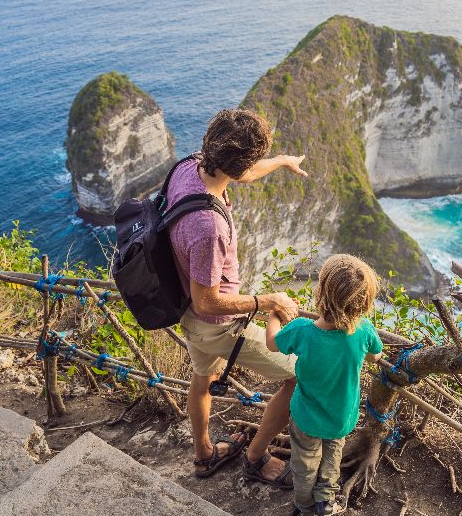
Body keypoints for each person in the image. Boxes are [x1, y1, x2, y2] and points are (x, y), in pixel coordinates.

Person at [164, 108, 308, 487]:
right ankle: (257, 459)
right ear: (240, 161)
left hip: (188, 319)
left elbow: (241, 173)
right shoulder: (208, 227)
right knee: (298, 373)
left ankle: (204, 455)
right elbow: (208, 302)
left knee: (202, 378)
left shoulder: (190, 166)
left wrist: (281, 162)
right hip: (216, 325)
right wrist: (267, 301)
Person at [266, 254, 383, 516]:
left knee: (305, 464)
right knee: (333, 456)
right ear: (364, 302)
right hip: (341, 417)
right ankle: (326, 502)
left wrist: (274, 315)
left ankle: (304, 506)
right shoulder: (364, 330)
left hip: (306, 417)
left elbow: (272, 343)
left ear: (321, 293)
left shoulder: (302, 330)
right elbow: (376, 355)